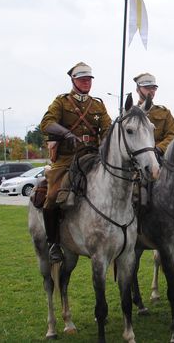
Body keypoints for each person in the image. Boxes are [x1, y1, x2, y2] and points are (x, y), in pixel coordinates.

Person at [40, 62, 112, 262]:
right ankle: (53, 242)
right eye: (82, 79)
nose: (86, 82)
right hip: (67, 159)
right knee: (53, 196)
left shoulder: (98, 105)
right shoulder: (62, 102)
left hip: (93, 157)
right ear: (73, 80)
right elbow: (46, 123)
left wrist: (107, 141)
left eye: (89, 79)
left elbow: (106, 128)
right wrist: (66, 133)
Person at [133, 73, 174, 156]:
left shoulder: (164, 112)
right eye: (147, 87)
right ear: (138, 90)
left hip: (159, 155)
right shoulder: (130, 114)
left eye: (154, 88)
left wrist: (159, 148)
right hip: (135, 156)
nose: (151, 90)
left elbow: (172, 134)